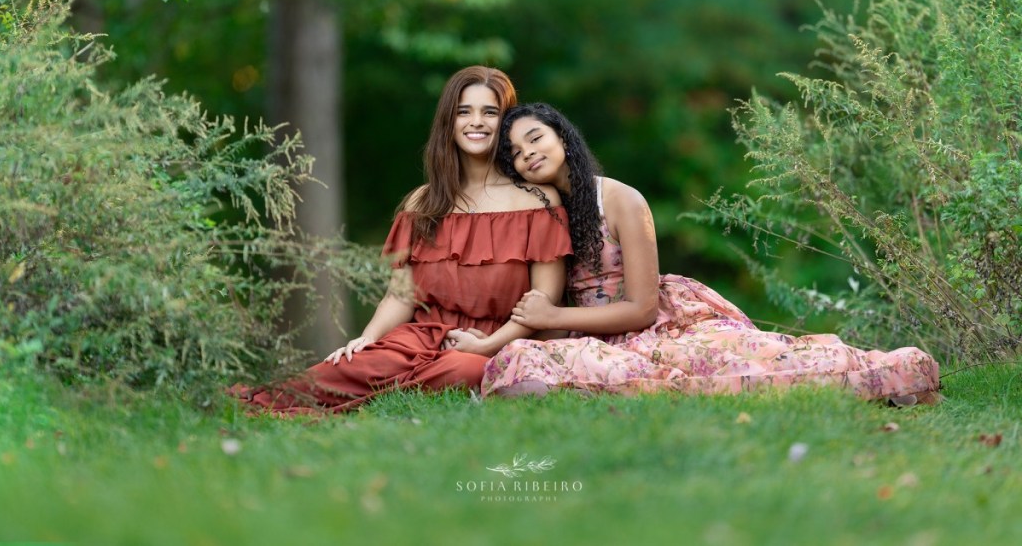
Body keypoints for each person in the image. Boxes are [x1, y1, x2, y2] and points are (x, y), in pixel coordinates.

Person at [481, 103, 940, 405]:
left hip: (656, 323)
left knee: (744, 362)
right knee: (519, 366)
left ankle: (891, 374)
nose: (529, 154)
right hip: (595, 339)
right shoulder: (541, 213)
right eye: (517, 154)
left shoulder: (620, 200)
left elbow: (640, 308)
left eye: (535, 138)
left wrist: (554, 318)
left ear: (562, 136)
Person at [232, 69, 571, 415]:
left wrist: (485, 347)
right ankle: (250, 402)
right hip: (416, 339)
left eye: (490, 112)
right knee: (352, 368)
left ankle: (373, 402)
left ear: (506, 121)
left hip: (491, 344)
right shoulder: (422, 203)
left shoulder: (537, 201)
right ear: (448, 121)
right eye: (464, 111)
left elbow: (543, 303)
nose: (476, 122)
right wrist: (367, 339)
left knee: (461, 371)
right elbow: (400, 294)